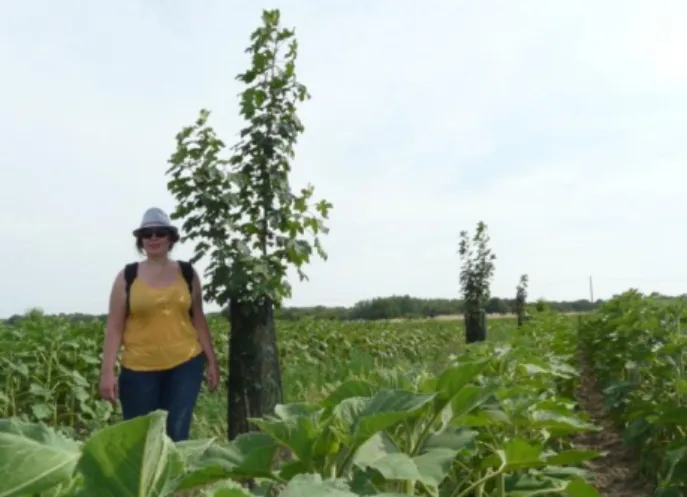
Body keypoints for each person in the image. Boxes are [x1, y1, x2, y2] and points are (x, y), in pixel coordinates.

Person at [98, 207, 220, 441]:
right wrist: (107, 373)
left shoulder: (187, 273)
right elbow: (114, 327)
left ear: (171, 238)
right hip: (139, 368)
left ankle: (175, 478)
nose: (153, 238)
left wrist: (212, 362)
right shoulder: (127, 277)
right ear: (140, 241)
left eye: (160, 232)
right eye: (147, 234)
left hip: (185, 363)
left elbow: (198, 319)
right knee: (141, 437)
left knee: (177, 432)